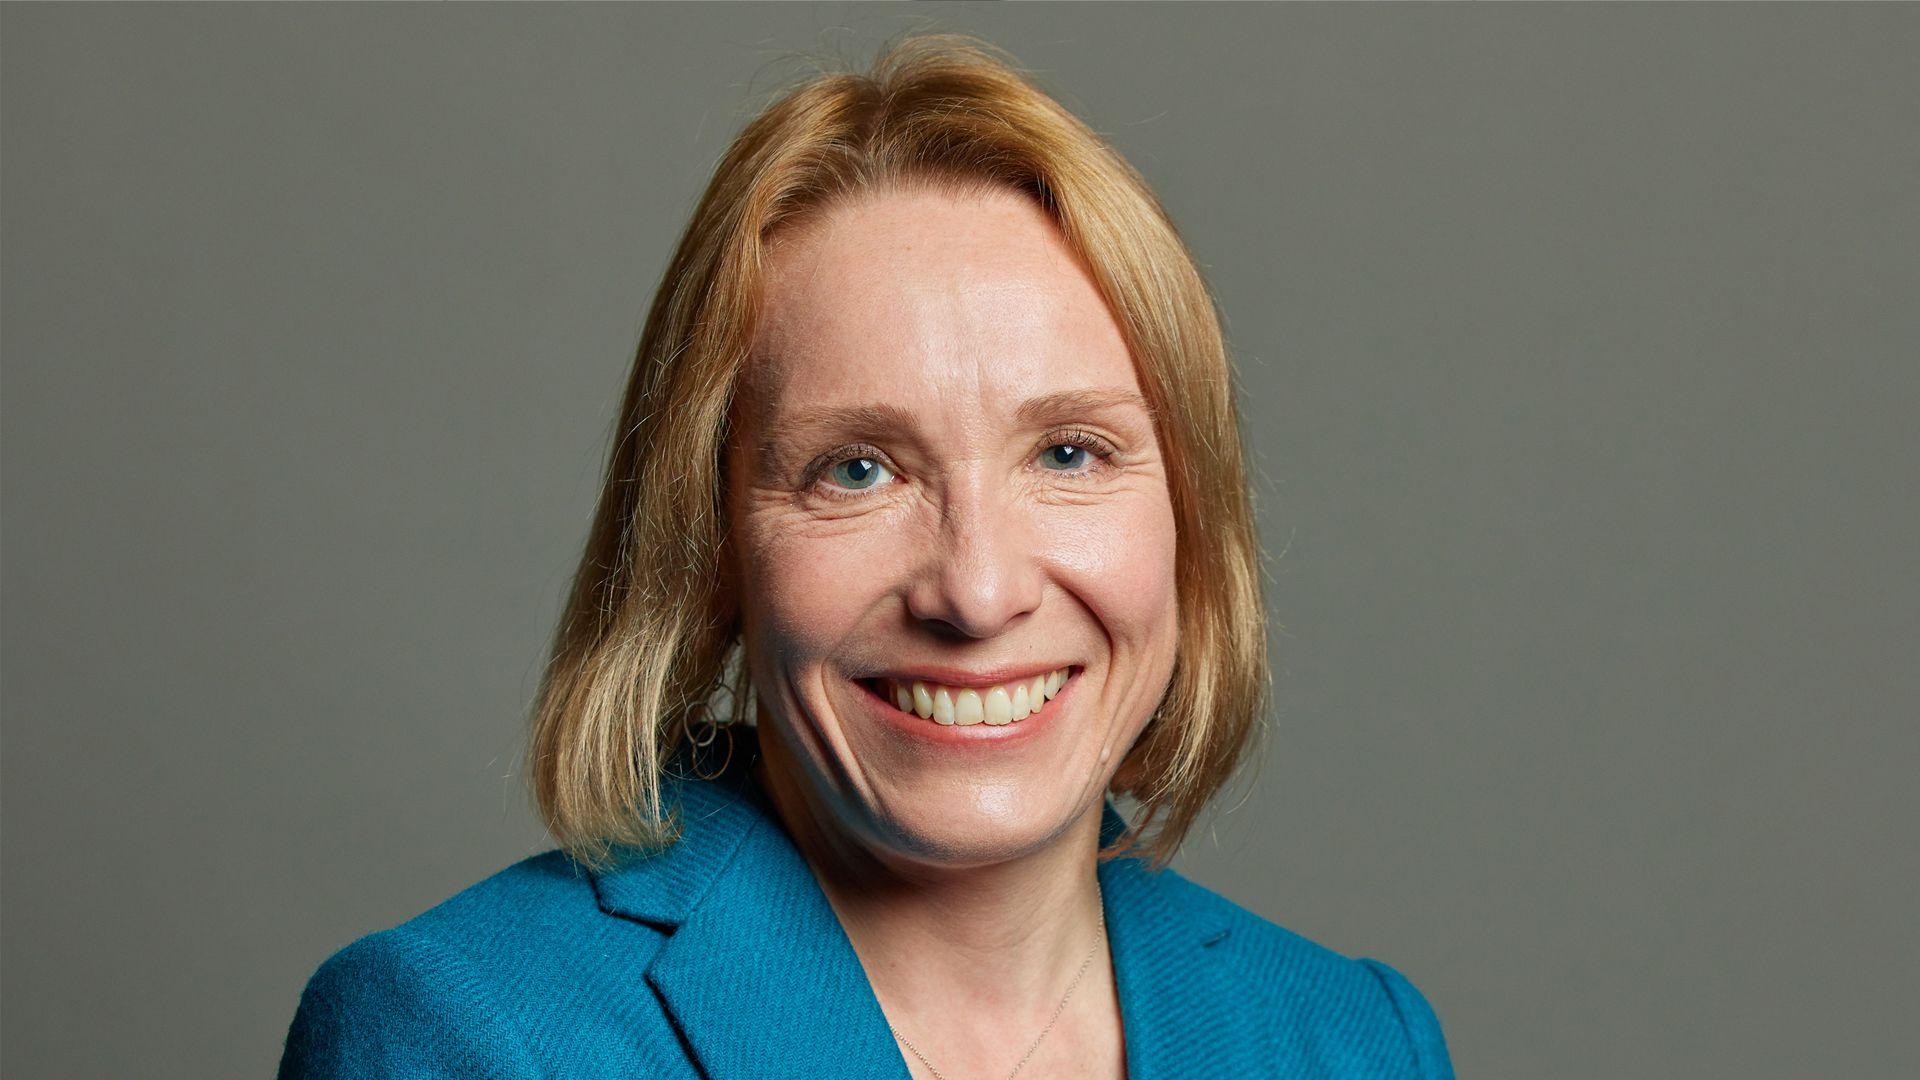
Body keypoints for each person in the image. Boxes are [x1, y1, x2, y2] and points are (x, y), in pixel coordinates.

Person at [278, 32, 1455, 1080]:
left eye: (1070, 453)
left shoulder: (1354, 1042)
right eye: (857, 469)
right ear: (711, 548)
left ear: (1191, 520)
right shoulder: (461, 1035)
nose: (979, 590)